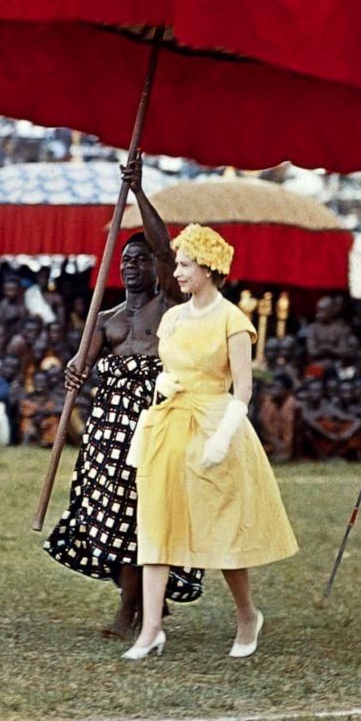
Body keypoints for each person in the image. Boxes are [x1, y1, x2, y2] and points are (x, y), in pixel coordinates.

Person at [123, 223, 298, 661]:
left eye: (184, 265)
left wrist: (222, 439)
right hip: (169, 423)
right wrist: (163, 381)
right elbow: (168, 365)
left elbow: (243, 389)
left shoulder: (231, 320)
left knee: (220, 527)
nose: (177, 272)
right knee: (157, 521)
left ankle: (246, 616)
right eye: (178, 264)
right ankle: (150, 630)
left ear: (208, 268)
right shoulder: (173, 318)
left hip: (214, 424)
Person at [44, 156, 202, 639]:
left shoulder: (169, 305)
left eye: (142, 260)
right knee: (106, 516)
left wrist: (136, 192)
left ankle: (129, 610)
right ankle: (141, 596)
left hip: (152, 425)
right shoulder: (106, 317)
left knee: (141, 517)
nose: (133, 266)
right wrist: (75, 372)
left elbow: (162, 247)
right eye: (126, 261)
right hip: (106, 432)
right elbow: (80, 365)